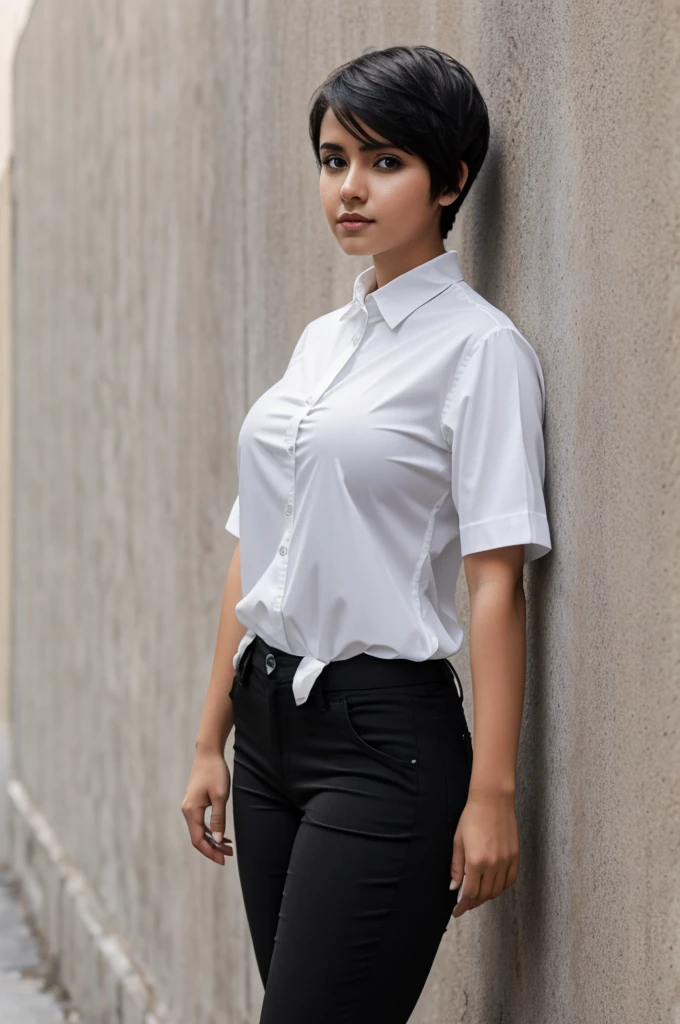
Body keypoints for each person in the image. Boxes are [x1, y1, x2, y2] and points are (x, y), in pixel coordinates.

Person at [181, 44, 552, 1023]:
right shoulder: (319, 342)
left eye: (384, 161)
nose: (348, 187)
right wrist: (208, 738)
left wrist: (491, 794)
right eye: (333, 157)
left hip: (383, 749)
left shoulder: (479, 352)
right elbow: (253, 546)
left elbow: (494, 584)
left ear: (451, 179)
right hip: (265, 733)